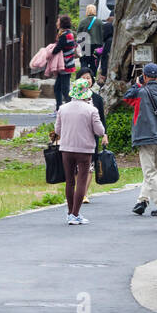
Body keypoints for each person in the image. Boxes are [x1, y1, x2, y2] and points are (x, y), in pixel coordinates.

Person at [54, 73, 108, 224]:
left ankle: (70, 212)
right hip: (85, 150)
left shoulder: (62, 108)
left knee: (70, 181)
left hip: (66, 149)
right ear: (86, 94)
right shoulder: (91, 110)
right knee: (82, 181)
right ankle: (75, 215)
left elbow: (57, 130)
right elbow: (100, 131)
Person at [125, 62, 157, 216]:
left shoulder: (140, 92)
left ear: (144, 76)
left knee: (149, 173)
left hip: (144, 136)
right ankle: (142, 200)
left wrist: (137, 85)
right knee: (153, 172)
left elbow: (127, 99)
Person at [52, 14, 77, 109]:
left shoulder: (64, 35)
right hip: (67, 64)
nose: (56, 23)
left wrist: (49, 50)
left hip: (65, 65)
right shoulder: (67, 33)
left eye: (58, 21)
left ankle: (71, 108)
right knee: (57, 88)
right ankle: (59, 109)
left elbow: (57, 49)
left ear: (62, 23)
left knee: (64, 89)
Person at [77, 5, 104, 77]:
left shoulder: (83, 22)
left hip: (86, 45)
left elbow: (79, 33)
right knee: (94, 63)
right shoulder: (100, 22)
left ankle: (83, 77)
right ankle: (92, 78)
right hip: (97, 45)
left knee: (84, 61)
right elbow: (103, 34)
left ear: (87, 11)